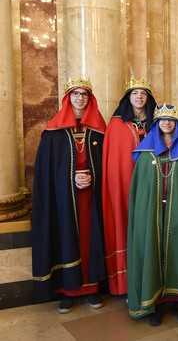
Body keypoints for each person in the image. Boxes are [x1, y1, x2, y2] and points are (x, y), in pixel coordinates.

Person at [127, 104, 178, 326]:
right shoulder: (145, 153)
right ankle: (156, 305)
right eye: (162, 120)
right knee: (152, 253)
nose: (167, 123)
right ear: (156, 123)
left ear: (176, 124)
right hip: (152, 213)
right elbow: (141, 188)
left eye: (171, 120)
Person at [32, 77, 107, 314]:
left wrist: (92, 177)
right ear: (68, 98)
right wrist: (70, 178)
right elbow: (46, 171)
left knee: (90, 239)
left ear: (89, 99)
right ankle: (68, 291)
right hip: (64, 198)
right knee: (66, 238)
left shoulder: (99, 131)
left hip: (92, 198)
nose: (80, 98)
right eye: (75, 94)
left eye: (84, 94)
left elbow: (108, 164)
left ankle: (91, 288)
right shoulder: (53, 132)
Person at [102, 78, 157, 296]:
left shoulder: (158, 123)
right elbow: (114, 162)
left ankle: (152, 281)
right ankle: (126, 285)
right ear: (128, 98)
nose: (139, 96)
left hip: (153, 186)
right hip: (125, 186)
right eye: (134, 93)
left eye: (143, 93)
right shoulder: (116, 125)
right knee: (125, 227)